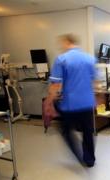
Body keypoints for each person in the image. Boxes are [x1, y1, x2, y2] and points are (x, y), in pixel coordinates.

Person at [47, 34, 96, 167]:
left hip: (70, 104)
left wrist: (50, 102)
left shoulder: (62, 59)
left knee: (66, 130)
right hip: (87, 103)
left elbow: (55, 85)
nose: (61, 46)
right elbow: (95, 81)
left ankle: (79, 155)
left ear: (67, 42)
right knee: (88, 131)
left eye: (62, 43)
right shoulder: (90, 59)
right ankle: (90, 159)